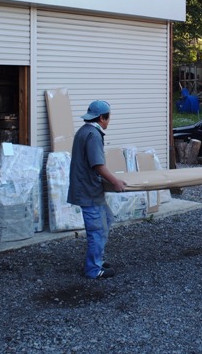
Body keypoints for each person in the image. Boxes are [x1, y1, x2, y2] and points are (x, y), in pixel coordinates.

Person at [68, 100, 127, 279]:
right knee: (97, 230)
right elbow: (98, 165)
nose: (109, 122)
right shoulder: (93, 135)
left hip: (91, 189)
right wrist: (115, 182)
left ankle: (97, 260)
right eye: (108, 118)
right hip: (88, 191)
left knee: (107, 219)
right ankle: (94, 269)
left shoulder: (84, 131)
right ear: (102, 118)